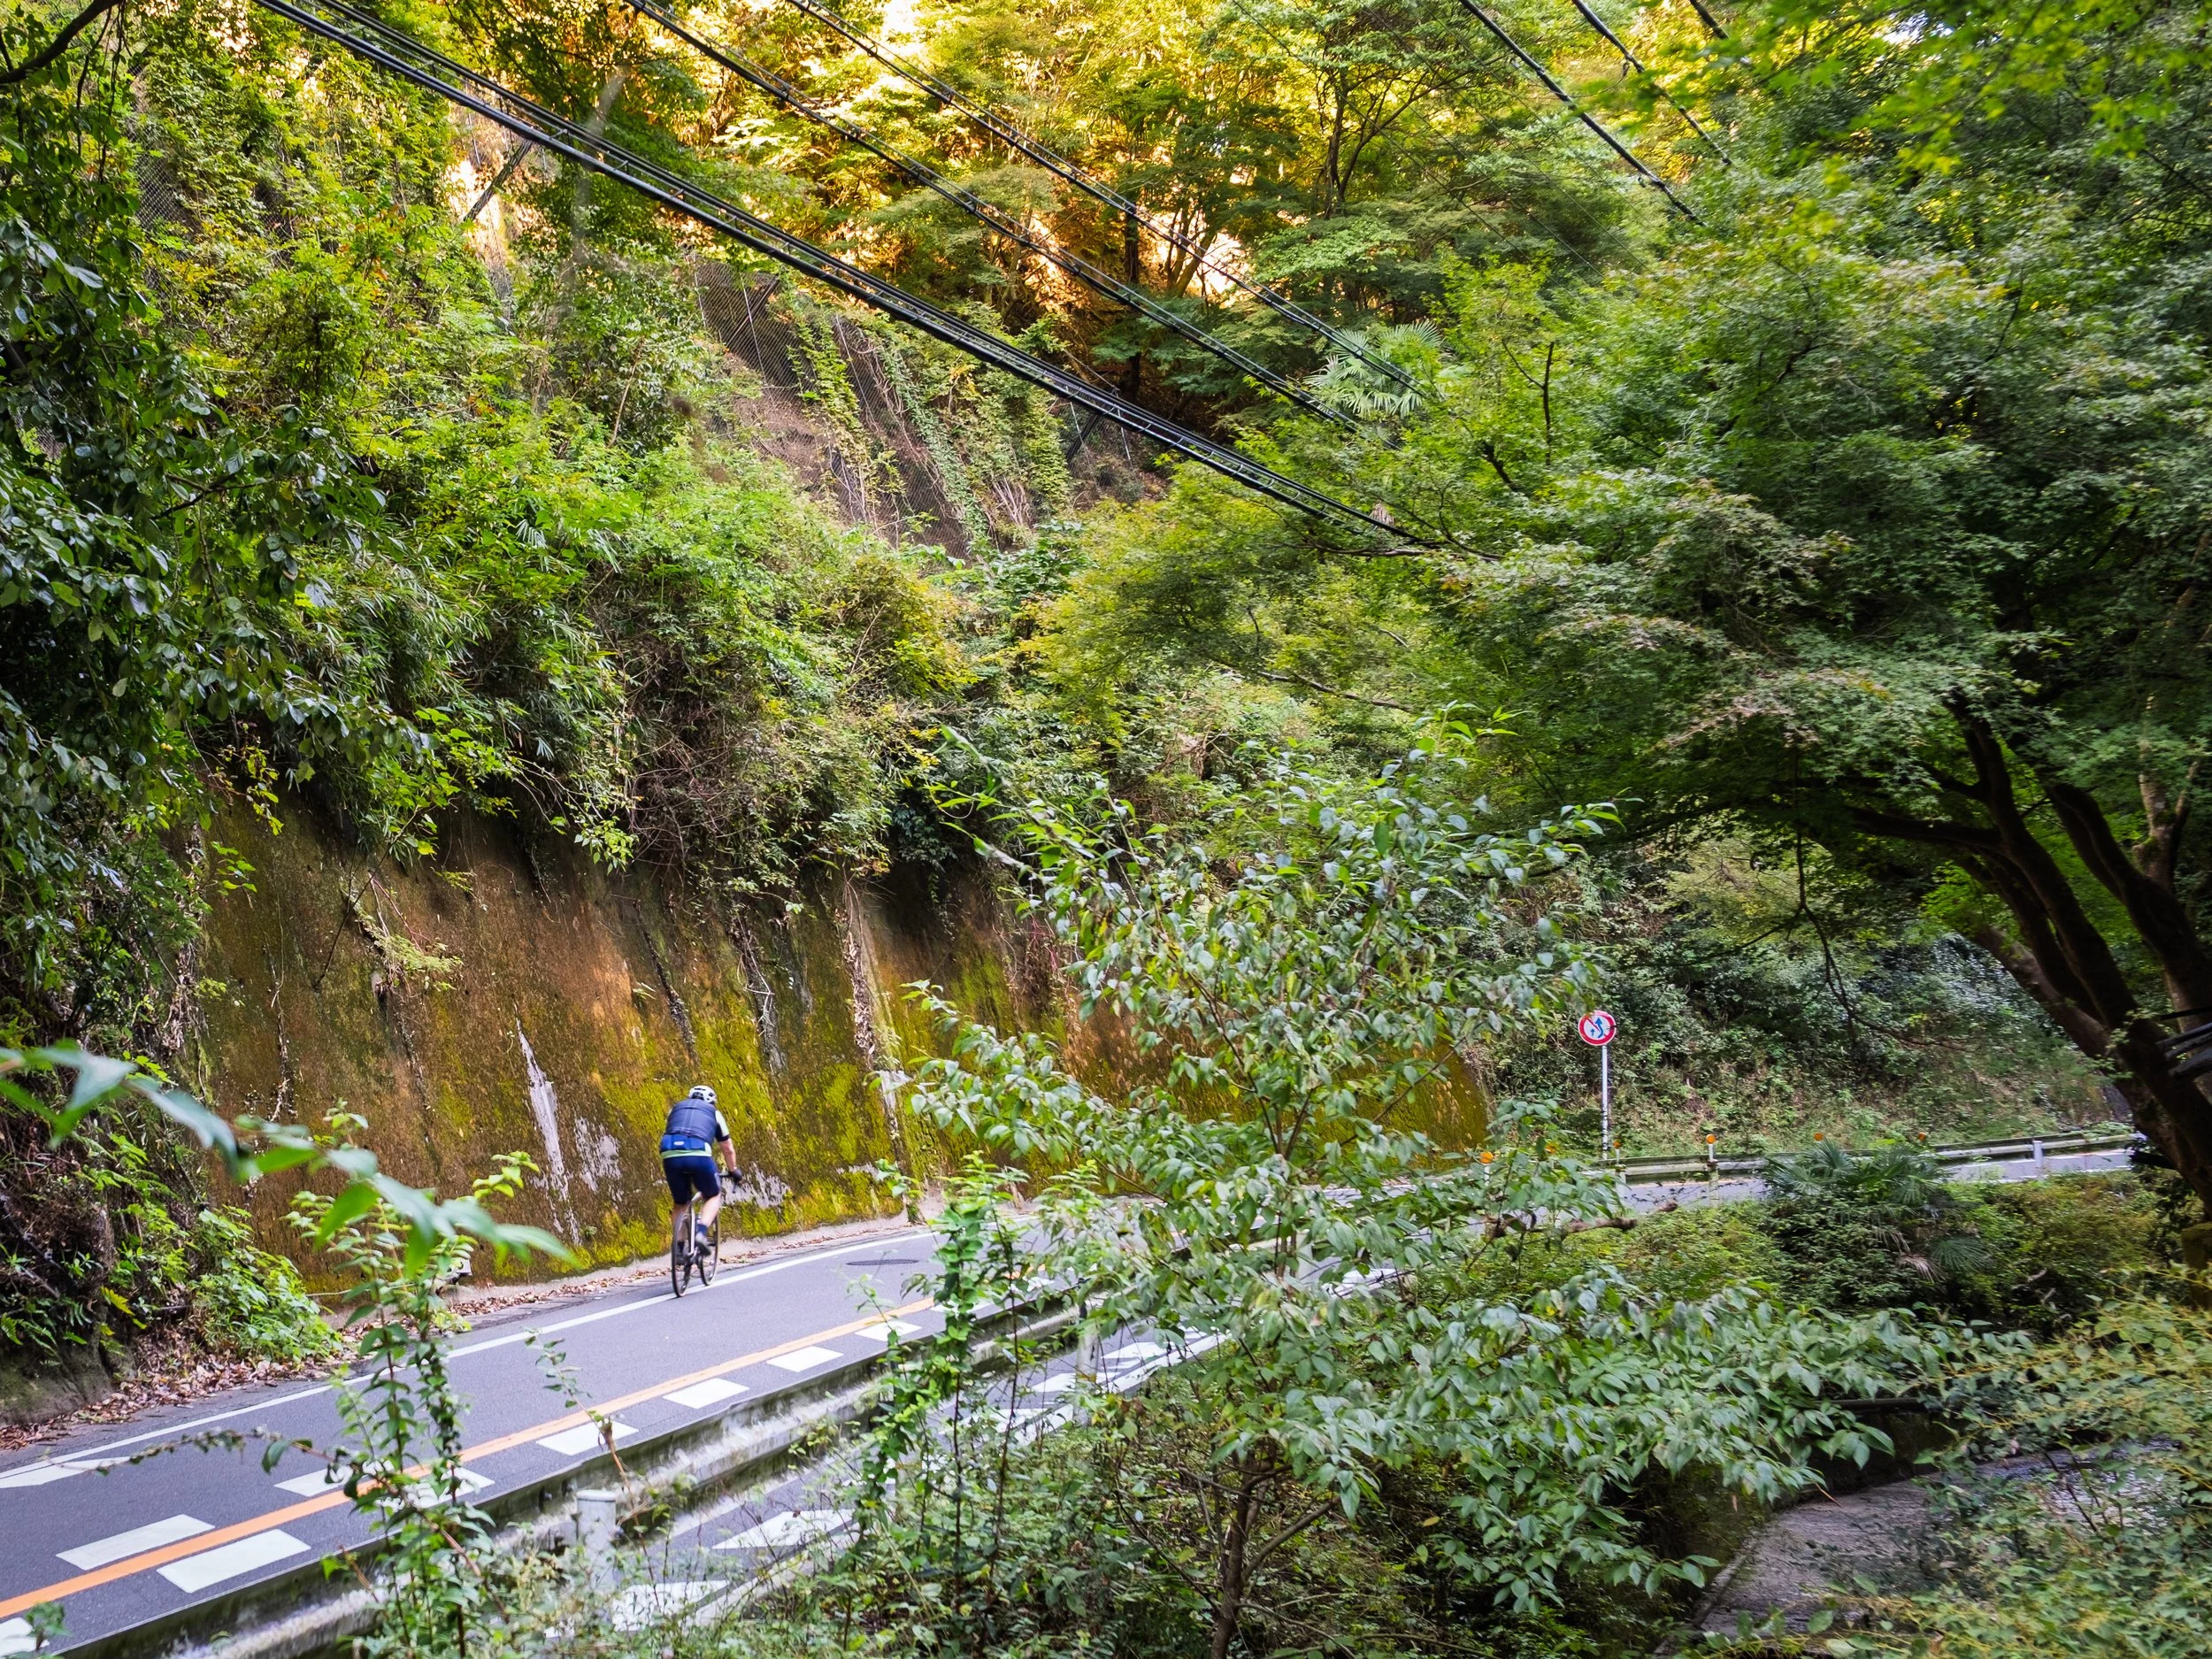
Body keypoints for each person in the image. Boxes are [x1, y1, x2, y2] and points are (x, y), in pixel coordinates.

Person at [659, 1085, 733, 1263]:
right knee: (713, 1195)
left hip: (669, 1153)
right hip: (698, 1154)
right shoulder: (714, 1112)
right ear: (711, 1101)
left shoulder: (675, 1109)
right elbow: (727, 1147)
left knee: (680, 1203)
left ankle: (678, 1249)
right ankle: (700, 1233)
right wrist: (734, 1171)